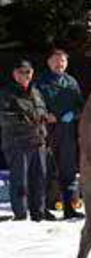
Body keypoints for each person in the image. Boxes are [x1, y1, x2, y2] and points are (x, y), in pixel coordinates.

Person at [0, 59, 57, 221]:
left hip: (38, 142)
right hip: (18, 143)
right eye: (22, 72)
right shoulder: (6, 93)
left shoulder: (36, 92)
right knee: (20, 179)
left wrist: (46, 117)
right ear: (14, 74)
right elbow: (5, 117)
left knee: (39, 178)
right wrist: (29, 122)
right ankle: (21, 214)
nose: (26, 75)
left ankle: (38, 211)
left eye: (29, 72)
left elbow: (42, 112)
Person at [36, 49, 85, 220]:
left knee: (68, 171)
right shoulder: (40, 82)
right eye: (56, 61)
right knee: (45, 170)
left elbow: (81, 106)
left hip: (67, 131)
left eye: (63, 61)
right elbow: (35, 104)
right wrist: (45, 114)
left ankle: (69, 208)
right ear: (49, 62)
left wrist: (73, 114)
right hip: (47, 131)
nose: (60, 64)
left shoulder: (71, 82)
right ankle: (42, 209)